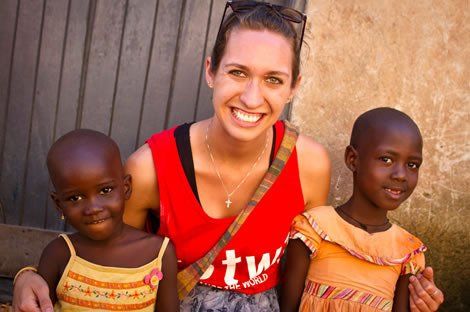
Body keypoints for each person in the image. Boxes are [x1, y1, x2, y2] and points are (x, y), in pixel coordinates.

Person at [12, 1, 443, 312]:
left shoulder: (308, 165)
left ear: (293, 87)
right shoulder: (150, 167)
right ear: (210, 71)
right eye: (238, 72)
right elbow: (102, 256)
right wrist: (30, 275)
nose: (252, 97)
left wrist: (404, 289)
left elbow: (320, 267)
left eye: (273, 79)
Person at [280, 108, 439, 311]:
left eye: (412, 164)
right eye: (386, 159)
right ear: (352, 159)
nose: (401, 175)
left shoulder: (407, 252)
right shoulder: (313, 229)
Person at [36, 129, 178, 311]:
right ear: (59, 204)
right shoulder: (59, 254)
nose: (93, 209)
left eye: (105, 191)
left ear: (126, 188)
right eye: (75, 198)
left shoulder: (159, 253)